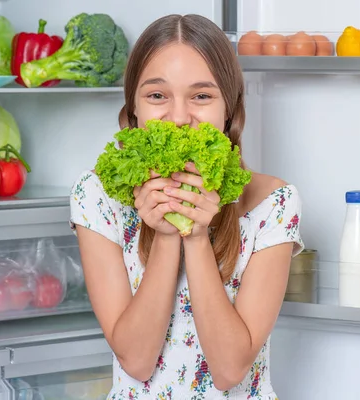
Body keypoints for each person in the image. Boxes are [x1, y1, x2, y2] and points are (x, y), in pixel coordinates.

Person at [69, 13, 304, 400]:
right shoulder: (96, 196)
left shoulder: (274, 204)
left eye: (201, 96)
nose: (179, 118)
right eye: (157, 95)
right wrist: (165, 236)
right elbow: (136, 360)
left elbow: (230, 370)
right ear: (133, 111)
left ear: (228, 111)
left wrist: (195, 239)